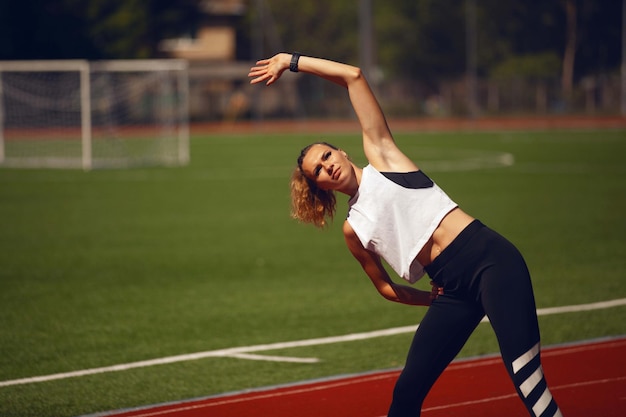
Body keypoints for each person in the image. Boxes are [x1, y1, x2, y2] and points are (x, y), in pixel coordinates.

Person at [248, 53, 563, 417]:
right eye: (317, 170)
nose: (327, 167)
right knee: (406, 393)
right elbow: (385, 288)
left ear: (341, 151)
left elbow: (353, 76)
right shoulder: (354, 230)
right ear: (318, 185)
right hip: (451, 288)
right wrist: (430, 301)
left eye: (326, 155)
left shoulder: (384, 159)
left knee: (525, 374)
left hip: (489, 259)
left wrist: (292, 61)